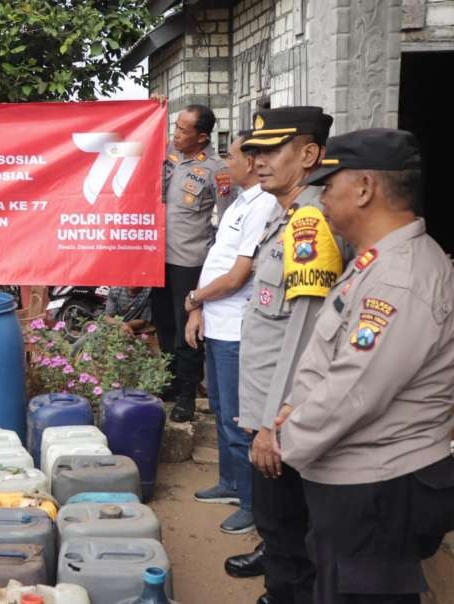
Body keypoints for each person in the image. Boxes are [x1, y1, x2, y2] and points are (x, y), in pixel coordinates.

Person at [277, 129, 454, 604]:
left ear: (364, 188)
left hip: (379, 486)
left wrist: (285, 440)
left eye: (328, 187)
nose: (323, 201)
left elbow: (356, 389)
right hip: (358, 476)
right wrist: (293, 407)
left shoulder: (400, 277)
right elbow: (330, 356)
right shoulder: (375, 262)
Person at [229, 106, 341, 604]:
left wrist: (274, 423)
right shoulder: (286, 214)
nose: (258, 161)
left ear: (310, 154)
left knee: (289, 523)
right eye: (254, 151)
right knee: (280, 521)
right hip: (268, 409)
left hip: (284, 415)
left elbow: (306, 334)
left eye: (273, 150)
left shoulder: (310, 224)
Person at [183, 134, 277, 535]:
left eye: (231, 155)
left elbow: (239, 275)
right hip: (217, 321)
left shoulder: (264, 205)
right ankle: (231, 483)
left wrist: (193, 298)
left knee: (241, 418)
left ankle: (253, 503)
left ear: (254, 162)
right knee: (222, 410)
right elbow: (219, 260)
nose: (225, 162)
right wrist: (199, 308)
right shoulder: (240, 202)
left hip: (239, 328)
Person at [152, 104, 234, 423]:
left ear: (202, 137)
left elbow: (228, 219)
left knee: (188, 331)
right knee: (164, 324)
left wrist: (217, 259)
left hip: (190, 261)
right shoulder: (168, 153)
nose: (176, 134)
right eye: (175, 126)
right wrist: (154, 111)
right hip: (157, 258)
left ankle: (187, 394)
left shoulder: (217, 169)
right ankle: (169, 385)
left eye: (183, 130)